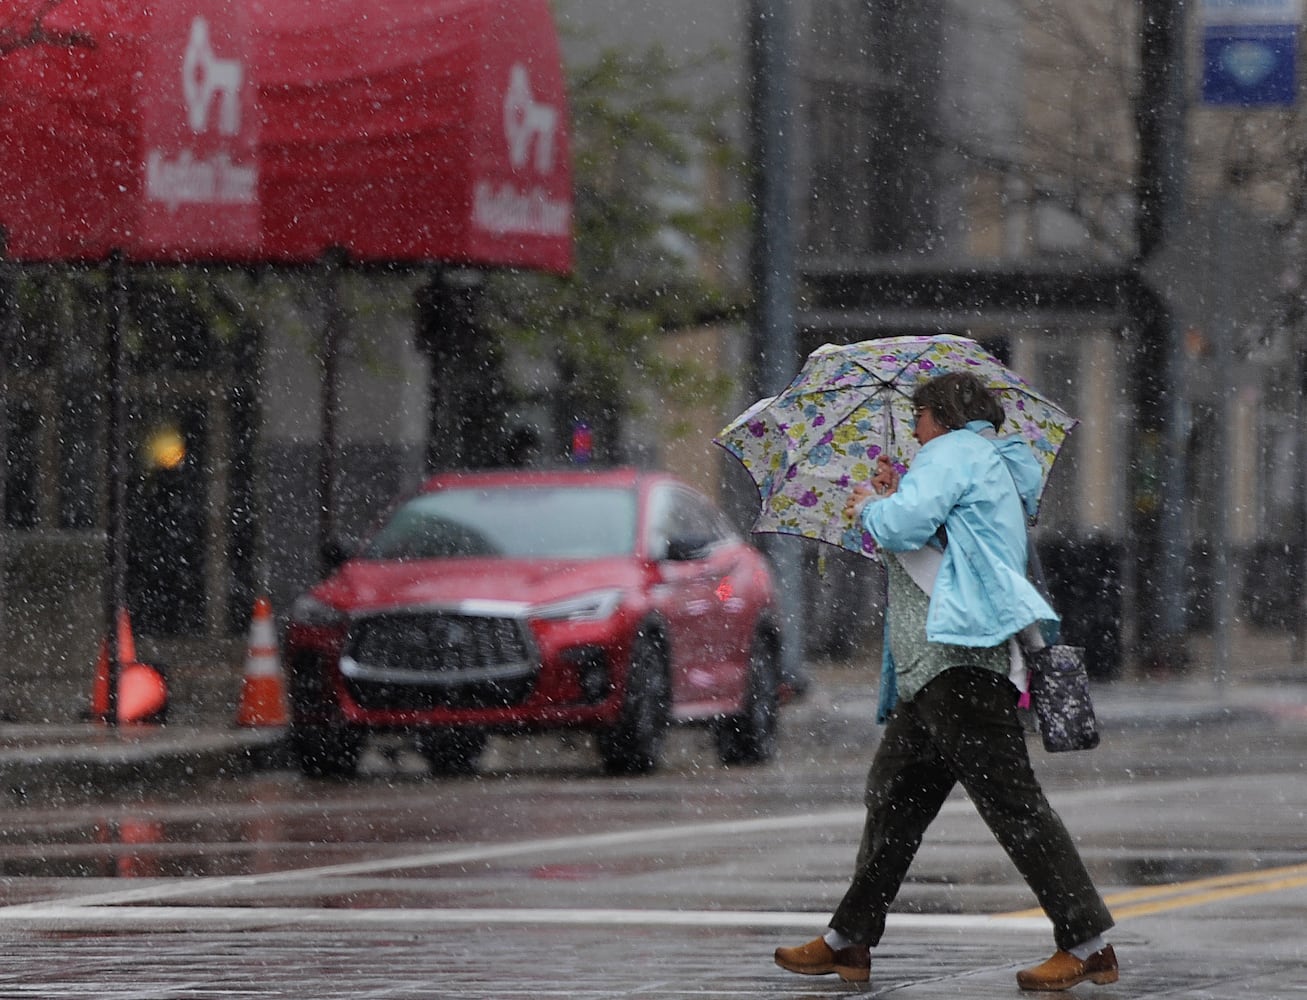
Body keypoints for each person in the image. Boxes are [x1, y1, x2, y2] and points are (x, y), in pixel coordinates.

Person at [774, 371, 1117, 992]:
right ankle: (847, 941)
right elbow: (938, 541)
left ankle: (1089, 945)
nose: (914, 430)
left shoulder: (954, 451)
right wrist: (897, 494)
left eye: (918, 419)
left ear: (941, 415)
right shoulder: (981, 459)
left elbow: (900, 528)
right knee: (893, 800)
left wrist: (877, 504)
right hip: (935, 671)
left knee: (1014, 806)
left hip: (958, 664)